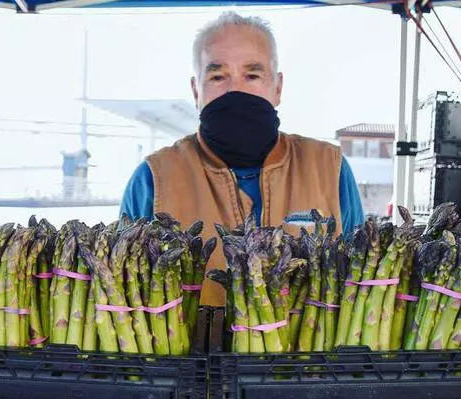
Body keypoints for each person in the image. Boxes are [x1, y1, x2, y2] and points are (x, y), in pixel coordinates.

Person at [120, 12, 364, 306]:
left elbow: (357, 284)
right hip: (189, 351)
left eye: (252, 75)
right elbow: (128, 291)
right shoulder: (153, 178)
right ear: (196, 90)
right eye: (217, 76)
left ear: (278, 87)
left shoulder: (329, 168)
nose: (235, 89)